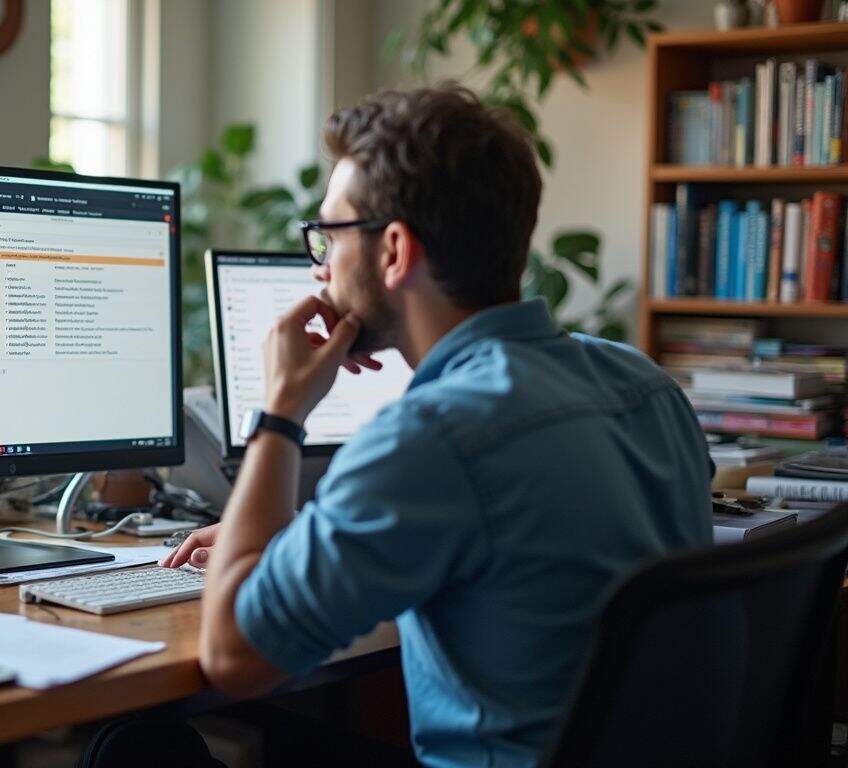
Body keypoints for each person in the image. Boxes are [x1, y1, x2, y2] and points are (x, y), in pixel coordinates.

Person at [162, 85, 712, 767]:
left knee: (140, 749)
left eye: (330, 237)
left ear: (394, 250)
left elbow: (234, 658)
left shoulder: (435, 438)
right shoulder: (646, 385)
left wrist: (281, 411)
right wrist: (304, 536)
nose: (319, 266)